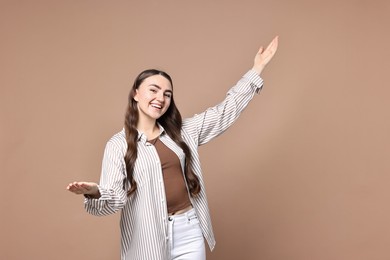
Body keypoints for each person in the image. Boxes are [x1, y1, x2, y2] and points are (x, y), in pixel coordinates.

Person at [67, 36, 278, 260]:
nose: (161, 98)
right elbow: (115, 200)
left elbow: (223, 112)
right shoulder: (117, 145)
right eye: (154, 90)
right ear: (136, 94)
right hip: (145, 239)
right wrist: (95, 192)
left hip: (189, 231)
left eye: (167, 94)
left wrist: (257, 69)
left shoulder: (182, 131)